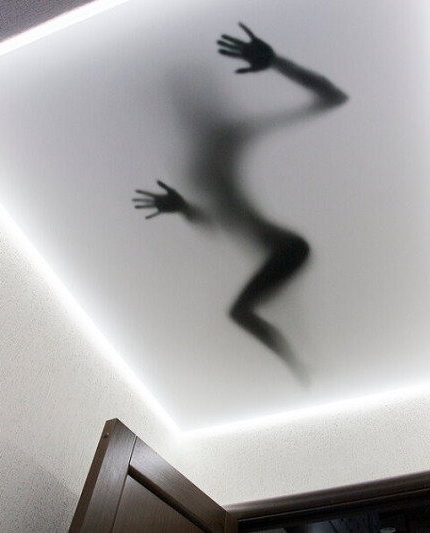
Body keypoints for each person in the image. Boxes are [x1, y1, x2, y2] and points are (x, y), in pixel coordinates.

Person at [133, 23, 347, 380]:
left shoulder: (228, 137)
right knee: (245, 313)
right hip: (280, 249)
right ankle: (302, 369)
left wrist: (277, 62)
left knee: (243, 313)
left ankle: (301, 368)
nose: (187, 107)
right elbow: (213, 223)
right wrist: (184, 209)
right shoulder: (197, 161)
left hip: (288, 248)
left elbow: (332, 97)